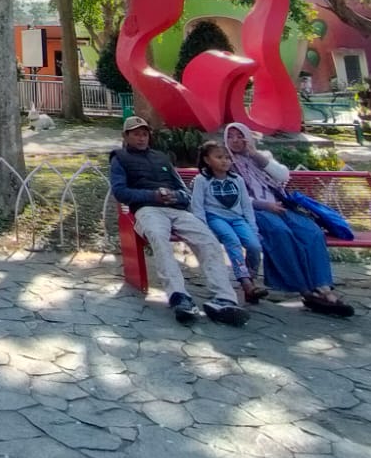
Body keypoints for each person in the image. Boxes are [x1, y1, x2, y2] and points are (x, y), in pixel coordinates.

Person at [109, 117, 248, 326]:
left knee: (207, 239)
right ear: (126, 136)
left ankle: (224, 298)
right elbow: (120, 192)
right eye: (136, 134)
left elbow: (183, 190)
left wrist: (177, 197)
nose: (141, 138)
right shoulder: (120, 158)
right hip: (148, 209)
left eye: (144, 133)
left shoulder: (161, 158)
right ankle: (179, 296)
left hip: (176, 209)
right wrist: (153, 195)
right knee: (159, 238)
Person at [223, 122, 354, 317]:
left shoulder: (262, 157)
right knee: (280, 233)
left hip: (282, 205)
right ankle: (305, 290)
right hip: (255, 209)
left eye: (239, 135)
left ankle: (323, 287)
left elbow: (283, 175)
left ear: (247, 138)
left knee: (311, 232)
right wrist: (266, 206)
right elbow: (234, 196)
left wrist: (254, 155)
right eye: (230, 137)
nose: (235, 141)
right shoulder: (226, 162)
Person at [190, 141, 266, 304]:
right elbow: (197, 206)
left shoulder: (236, 179)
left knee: (254, 245)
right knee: (232, 241)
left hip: (238, 219)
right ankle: (245, 282)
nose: (224, 161)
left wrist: (252, 227)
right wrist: (203, 228)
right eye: (219, 157)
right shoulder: (201, 180)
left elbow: (246, 205)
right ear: (207, 160)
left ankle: (251, 279)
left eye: (227, 158)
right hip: (216, 218)